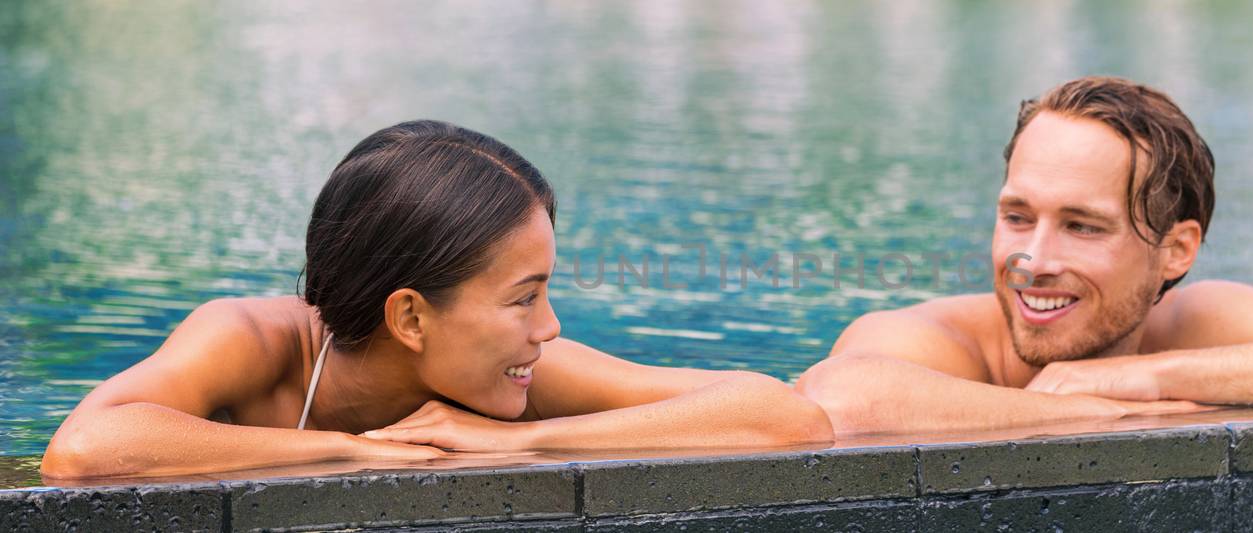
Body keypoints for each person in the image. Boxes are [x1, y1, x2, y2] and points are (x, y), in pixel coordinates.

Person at [42, 120, 833, 479]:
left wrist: (519, 444)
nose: (548, 328)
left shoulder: (511, 379)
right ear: (410, 316)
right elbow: (83, 450)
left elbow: (785, 416)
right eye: (524, 299)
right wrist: (350, 452)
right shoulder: (250, 339)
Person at [797, 77, 1253, 435]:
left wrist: (1146, 378)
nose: (1032, 260)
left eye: (1082, 226)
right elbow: (841, 397)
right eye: (1017, 216)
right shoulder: (933, 338)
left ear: (1176, 250)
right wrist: (1100, 413)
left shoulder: (1198, 326)